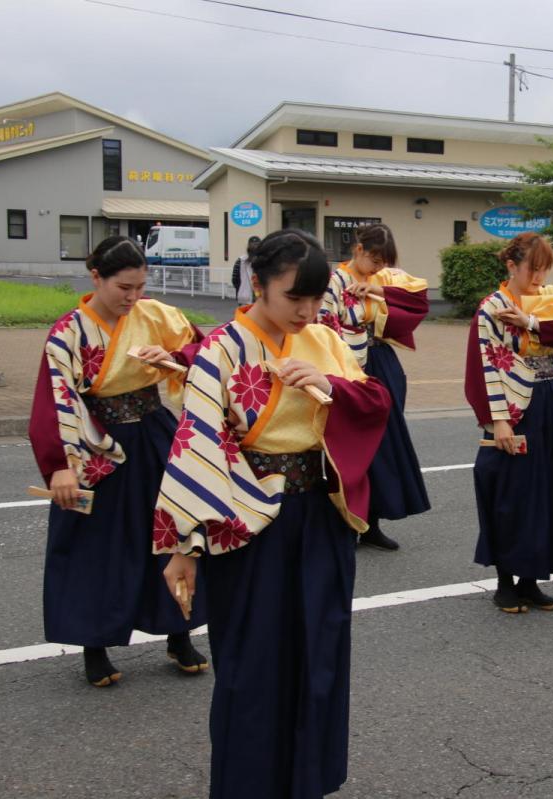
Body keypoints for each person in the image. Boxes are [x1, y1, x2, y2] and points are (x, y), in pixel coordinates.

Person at [154, 229, 391, 799]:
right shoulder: (222, 348)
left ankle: (307, 780)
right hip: (247, 523)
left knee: (319, 651)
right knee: (251, 661)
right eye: (294, 298)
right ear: (257, 285)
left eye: (314, 299)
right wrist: (185, 548)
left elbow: (375, 401)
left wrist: (330, 385)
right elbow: (196, 443)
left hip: (320, 520)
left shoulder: (324, 340)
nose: (306, 311)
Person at [28, 235, 209, 687]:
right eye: (123, 287)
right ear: (96, 277)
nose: (133, 298)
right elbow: (54, 401)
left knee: (175, 530)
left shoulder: (157, 316)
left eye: (140, 287)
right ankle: (95, 643)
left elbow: (205, 353)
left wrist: (171, 358)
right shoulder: (68, 332)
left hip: (153, 433)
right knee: (97, 545)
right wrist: (59, 466)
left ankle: (179, 629)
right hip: (96, 443)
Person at [464, 232, 553, 613]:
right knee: (511, 493)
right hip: (516, 407)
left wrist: (530, 321)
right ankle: (505, 579)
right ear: (511, 266)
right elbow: (481, 366)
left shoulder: (551, 300)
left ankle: (532, 579)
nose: (538, 277)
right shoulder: (491, 308)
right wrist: (497, 421)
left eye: (543, 269)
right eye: (531, 269)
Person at [319, 223, 431, 551]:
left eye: (384, 262)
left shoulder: (381, 280)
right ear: (358, 250)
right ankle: (345, 521)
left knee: (383, 444)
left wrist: (378, 290)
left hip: (381, 361)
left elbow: (417, 300)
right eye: (374, 259)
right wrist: (338, 372)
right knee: (350, 446)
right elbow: (323, 327)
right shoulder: (335, 281)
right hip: (347, 365)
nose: (379, 267)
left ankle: (372, 522)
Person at [231, 235, 262, 306]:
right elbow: (235, 280)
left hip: (261, 300)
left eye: (257, 245)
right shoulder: (241, 261)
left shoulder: (264, 261)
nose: (255, 247)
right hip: (245, 300)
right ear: (248, 247)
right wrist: (242, 291)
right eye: (253, 245)